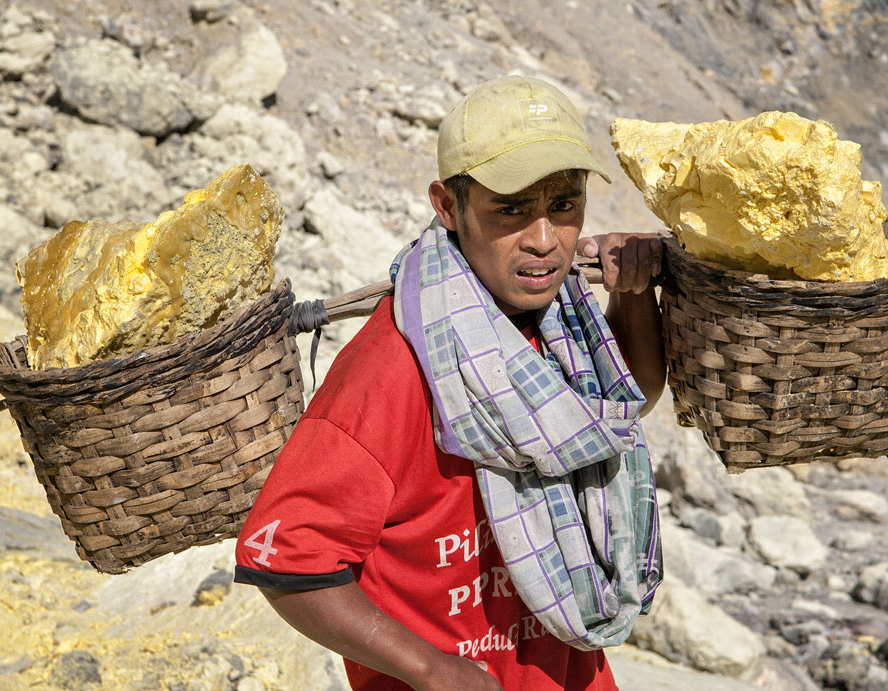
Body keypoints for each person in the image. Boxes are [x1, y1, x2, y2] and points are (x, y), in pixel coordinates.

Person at [235, 75, 666, 691]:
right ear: (447, 206)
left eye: (564, 206)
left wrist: (633, 295)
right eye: (511, 209)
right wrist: (430, 668)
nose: (544, 240)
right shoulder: (393, 364)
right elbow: (284, 560)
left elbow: (617, 414)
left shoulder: (558, 321)